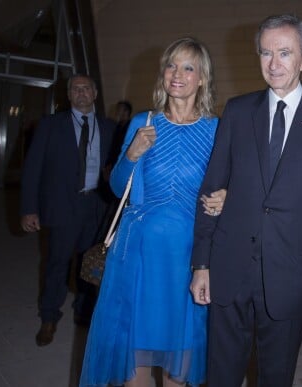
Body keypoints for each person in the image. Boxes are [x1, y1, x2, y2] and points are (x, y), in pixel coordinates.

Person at [190, 14, 302, 387]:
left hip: (291, 274)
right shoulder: (237, 111)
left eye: (284, 53)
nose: (273, 64)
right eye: (265, 53)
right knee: (221, 375)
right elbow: (212, 189)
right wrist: (202, 262)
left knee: (276, 376)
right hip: (229, 269)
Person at [79, 37, 221, 387]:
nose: (177, 74)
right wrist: (132, 153)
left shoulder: (215, 129)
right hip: (138, 256)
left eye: (188, 67)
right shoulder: (144, 121)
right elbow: (116, 188)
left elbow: (228, 184)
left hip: (186, 257)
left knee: (179, 365)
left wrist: (227, 196)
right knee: (134, 359)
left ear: (202, 78)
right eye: (171, 65)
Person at [20, 74, 116, 346]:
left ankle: (84, 314)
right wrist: (29, 208)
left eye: (86, 88)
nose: (81, 92)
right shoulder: (51, 126)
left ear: (95, 93)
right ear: (69, 95)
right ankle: (49, 317)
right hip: (62, 205)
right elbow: (33, 169)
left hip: (96, 207)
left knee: (90, 266)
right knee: (57, 264)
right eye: (76, 89)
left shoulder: (109, 128)